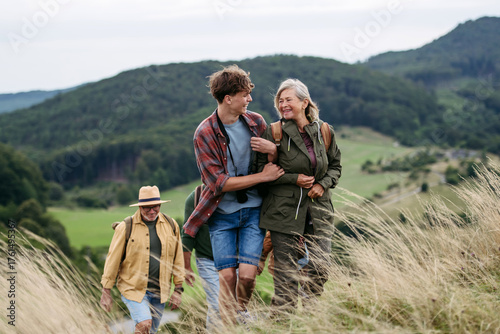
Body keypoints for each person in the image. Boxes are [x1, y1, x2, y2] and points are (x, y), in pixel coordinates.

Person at [183, 65, 285, 325]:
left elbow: (273, 163)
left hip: (253, 210)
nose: (249, 99)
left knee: (248, 277)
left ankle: (237, 316)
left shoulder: (256, 122)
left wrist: (272, 150)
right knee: (227, 278)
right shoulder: (203, 133)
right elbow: (217, 183)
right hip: (221, 215)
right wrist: (262, 177)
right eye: (244, 95)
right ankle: (229, 327)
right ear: (228, 98)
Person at [256, 78, 342, 312]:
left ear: (305, 102)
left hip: (319, 212)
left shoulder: (324, 131)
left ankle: (311, 311)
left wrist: (323, 184)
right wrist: (293, 179)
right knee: (286, 274)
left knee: (321, 265)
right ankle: (283, 321)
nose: (283, 104)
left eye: (288, 100)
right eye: (280, 101)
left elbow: (335, 166)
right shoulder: (273, 132)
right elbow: (260, 173)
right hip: (283, 213)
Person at [100, 185, 185, 334]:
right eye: (147, 207)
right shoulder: (126, 227)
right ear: (140, 206)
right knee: (145, 324)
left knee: (150, 331)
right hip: (134, 288)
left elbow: (178, 258)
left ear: (160, 205)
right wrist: (106, 291)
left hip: (161, 291)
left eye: (156, 207)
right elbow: (112, 260)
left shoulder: (171, 225)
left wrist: (178, 289)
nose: (152, 211)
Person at [181, 184, 220, 331]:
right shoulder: (195, 198)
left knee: (234, 304)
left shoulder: (232, 193)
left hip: (233, 260)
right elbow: (187, 234)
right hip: (206, 260)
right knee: (216, 303)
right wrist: (186, 267)